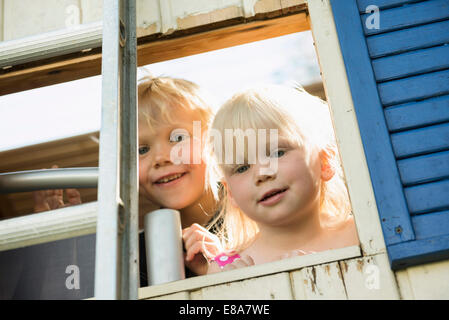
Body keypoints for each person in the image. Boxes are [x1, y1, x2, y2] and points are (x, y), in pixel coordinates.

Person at [33, 74, 223, 278]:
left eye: (178, 138)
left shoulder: (251, 214)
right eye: (141, 150)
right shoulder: (131, 256)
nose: (160, 158)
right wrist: (58, 244)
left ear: (214, 143)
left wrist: (222, 261)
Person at [205, 85, 359, 273]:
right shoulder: (224, 269)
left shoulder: (363, 234)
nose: (262, 173)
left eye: (277, 153)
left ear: (325, 161)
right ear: (230, 193)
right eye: (242, 168)